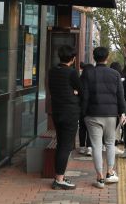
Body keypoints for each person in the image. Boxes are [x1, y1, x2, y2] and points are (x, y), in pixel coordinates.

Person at [82, 47, 126, 189]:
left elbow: (84, 96)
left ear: (94, 57)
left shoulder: (87, 73)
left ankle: (99, 178)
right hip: (111, 114)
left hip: (92, 114)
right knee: (109, 144)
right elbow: (120, 95)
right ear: (107, 57)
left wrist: (83, 113)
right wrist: (123, 113)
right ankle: (110, 172)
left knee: (96, 145)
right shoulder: (115, 74)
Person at [48, 45, 82, 190]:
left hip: (57, 112)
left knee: (60, 144)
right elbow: (82, 90)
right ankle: (59, 180)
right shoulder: (72, 73)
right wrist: (74, 92)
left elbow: (53, 89)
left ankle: (58, 176)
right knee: (65, 147)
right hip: (70, 113)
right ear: (73, 59)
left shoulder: (52, 71)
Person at [109, 61, 126, 156]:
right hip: (114, 109)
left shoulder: (107, 77)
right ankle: (113, 147)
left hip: (104, 107)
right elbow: (121, 96)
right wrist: (123, 112)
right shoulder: (119, 79)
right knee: (113, 130)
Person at [78, 62, 94, 156]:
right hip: (92, 108)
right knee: (91, 128)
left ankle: (81, 147)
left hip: (81, 107)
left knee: (82, 127)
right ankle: (89, 147)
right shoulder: (94, 81)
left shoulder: (80, 80)